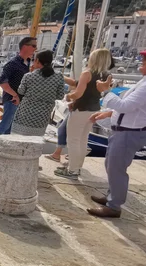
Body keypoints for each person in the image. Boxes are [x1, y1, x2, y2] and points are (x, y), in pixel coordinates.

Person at [86, 48, 146, 218]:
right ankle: (111, 197)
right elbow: (130, 108)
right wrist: (108, 113)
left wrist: (106, 90)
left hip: (130, 132)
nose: (143, 60)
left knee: (116, 168)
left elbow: (125, 106)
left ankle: (114, 206)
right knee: (112, 165)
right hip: (126, 130)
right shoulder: (145, 82)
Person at [55, 48, 112, 179]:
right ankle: (76, 167)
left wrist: (68, 96)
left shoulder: (87, 73)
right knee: (83, 139)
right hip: (94, 109)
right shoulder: (105, 75)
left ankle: (72, 170)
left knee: (73, 140)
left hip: (81, 109)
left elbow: (78, 93)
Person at [11, 50, 65, 136]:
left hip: (25, 115)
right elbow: (60, 96)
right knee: (36, 141)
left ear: (37, 60)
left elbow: (20, 91)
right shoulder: (58, 76)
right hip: (42, 117)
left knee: (19, 139)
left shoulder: (29, 76)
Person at [0, 37, 37, 135]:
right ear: (25, 46)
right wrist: (15, 95)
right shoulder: (13, 63)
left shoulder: (27, 63)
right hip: (11, 100)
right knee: (5, 125)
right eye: (33, 46)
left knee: (10, 128)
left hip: (19, 101)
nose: (35, 48)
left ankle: (3, 147)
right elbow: (2, 81)